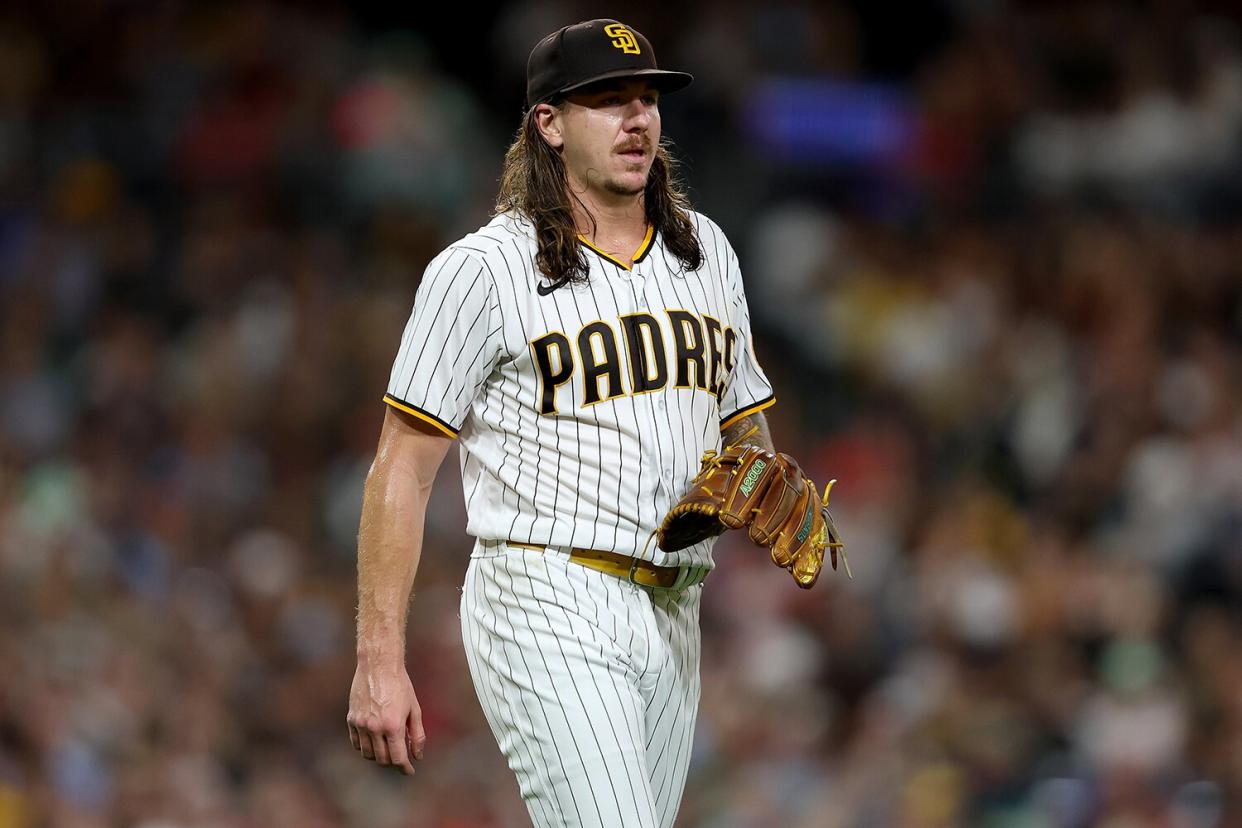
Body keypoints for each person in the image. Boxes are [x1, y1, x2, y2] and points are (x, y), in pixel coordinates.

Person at [347, 19, 781, 827]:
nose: (637, 119)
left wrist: (763, 481)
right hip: (547, 590)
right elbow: (400, 470)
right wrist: (380, 658)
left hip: (676, 606)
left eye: (647, 98)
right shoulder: (482, 270)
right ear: (546, 122)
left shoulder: (707, 253)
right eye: (608, 100)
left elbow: (745, 430)